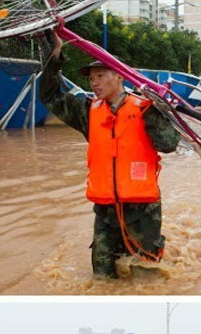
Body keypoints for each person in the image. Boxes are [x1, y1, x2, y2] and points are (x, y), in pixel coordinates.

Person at [38, 31, 181, 279]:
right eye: (92, 78)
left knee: (145, 277)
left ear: (119, 76)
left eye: (100, 76)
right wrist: (55, 54)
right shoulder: (87, 111)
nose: (94, 83)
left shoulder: (145, 107)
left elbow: (169, 144)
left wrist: (156, 112)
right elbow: (49, 95)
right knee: (102, 277)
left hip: (143, 210)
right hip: (105, 211)